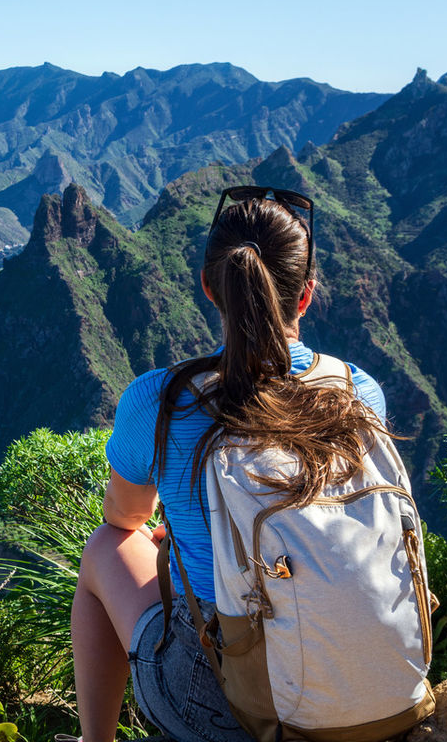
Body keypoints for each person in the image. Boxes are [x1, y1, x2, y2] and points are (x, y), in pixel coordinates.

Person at [70, 186, 390, 742]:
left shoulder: (161, 402)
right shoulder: (356, 390)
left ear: (209, 289)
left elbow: (123, 519)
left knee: (105, 547)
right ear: (306, 295)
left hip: (225, 699)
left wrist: (185, 531)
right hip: (363, 681)